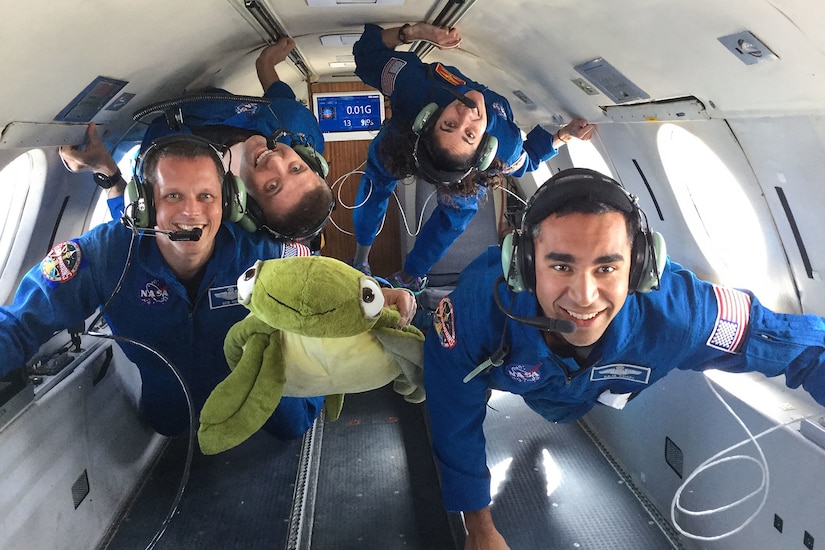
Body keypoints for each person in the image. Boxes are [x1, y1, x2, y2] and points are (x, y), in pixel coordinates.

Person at [422, 168, 825, 549]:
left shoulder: (679, 312)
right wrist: (479, 527)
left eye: (607, 267)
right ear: (523, 266)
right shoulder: (478, 311)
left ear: (640, 267)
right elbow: (453, 417)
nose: (583, 296)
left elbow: (798, 346)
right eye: (561, 265)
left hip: (588, 394)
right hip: (531, 385)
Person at [0, 135, 330, 439]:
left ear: (229, 202)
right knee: (171, 427)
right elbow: (19, 325)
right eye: (172, 195)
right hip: (172, 416)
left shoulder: (263, 255)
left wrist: (379, 297)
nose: (191, 211)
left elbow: (333, 292)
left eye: (206, 196)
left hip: (261, 403)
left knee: (291, 425)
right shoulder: (103, 257)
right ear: (143, 205)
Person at [349, 23, 596, 292]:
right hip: (402, 142)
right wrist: (564, 134)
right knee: (377, 186)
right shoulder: (502, 142)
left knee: (451, 216)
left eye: (450, 125)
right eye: (466, 133)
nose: (466, 114)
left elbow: (367, 55)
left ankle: (411, 276)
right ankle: (361, 259)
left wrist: (420, 33)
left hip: (422, 143)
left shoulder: (415, 89)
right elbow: (527, 162)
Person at [60, 37, 334, 243]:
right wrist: (264, 64)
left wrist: (104, 169)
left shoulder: (197, 209)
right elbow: (280, 97)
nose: (275, 161)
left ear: (243, 205)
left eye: (273, 186)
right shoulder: (298, 128)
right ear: (308, 158)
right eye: (296, 168)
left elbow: (139, 220)